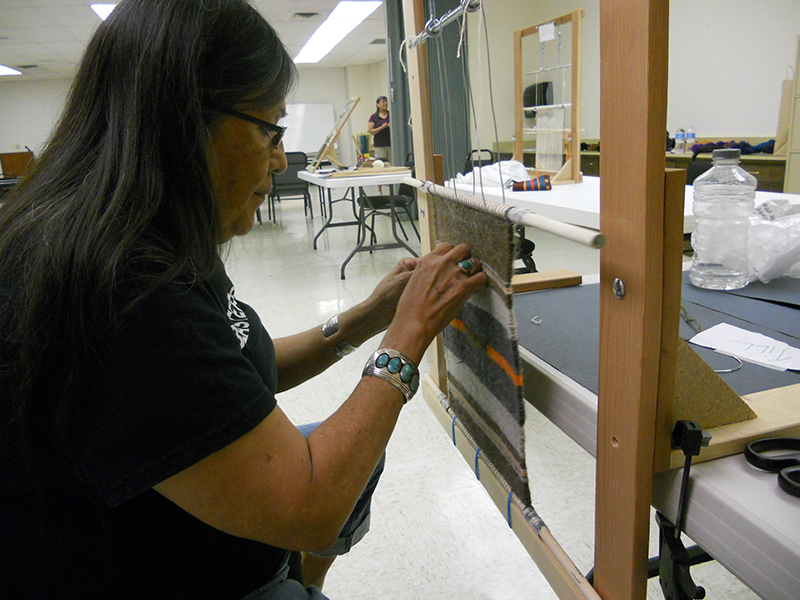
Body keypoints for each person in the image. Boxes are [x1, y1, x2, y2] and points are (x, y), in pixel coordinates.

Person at [0, 1, 487, 599]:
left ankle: (298, 579)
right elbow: (311, 505)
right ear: (183, 120)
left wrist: (370, 316)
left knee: (361, 459)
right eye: (268, 129)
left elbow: (234, 370)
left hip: (172, 531)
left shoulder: (156, 234)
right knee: (339, 472)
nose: (280, 158)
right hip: (145, 573)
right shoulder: (117, 286)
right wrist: (406, 337)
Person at [367, 96, 391, 163]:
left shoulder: (391, 115)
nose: (385, 103)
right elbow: (370, 131)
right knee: (381, 164)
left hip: (391, 145)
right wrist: (381, 127)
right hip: (380, 146)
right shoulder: (374, 117)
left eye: (386, 101)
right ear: (377, 104)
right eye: (383, 102)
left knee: (393, 164)